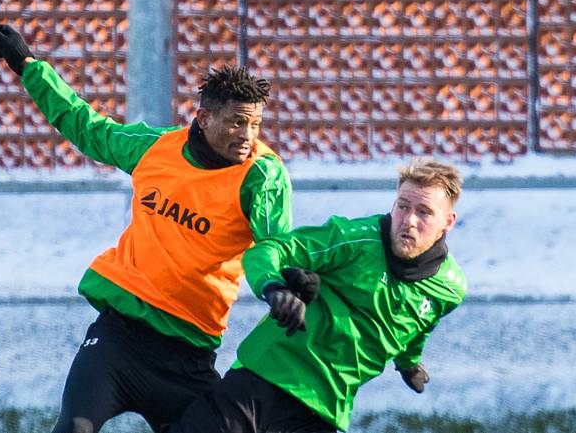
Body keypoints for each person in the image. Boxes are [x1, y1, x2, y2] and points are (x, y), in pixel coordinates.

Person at [0, 24, 293, 433]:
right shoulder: (155, 148)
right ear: (204, 118)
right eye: (236, 123)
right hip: (118, 342)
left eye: (255, 125)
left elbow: (274, 245)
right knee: (74, 428)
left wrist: (278, 286)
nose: (247, 137)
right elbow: (87, 128)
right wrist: (28, 66)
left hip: (189, 357)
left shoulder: (261, 176)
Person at [169, 157, 466, 433]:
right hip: (265, 377)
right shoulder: (354, 240)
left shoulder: (450, 289)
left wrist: (408, 363)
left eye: (424, 212)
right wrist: (274, 288)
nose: (409, 220)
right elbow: (269, 250)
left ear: (448, 222)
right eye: (403, 206)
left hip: (325, 409)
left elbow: (416, 327)